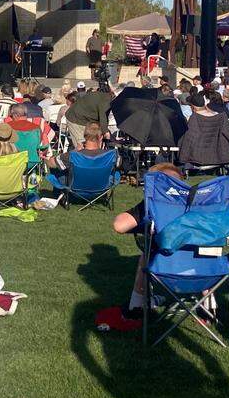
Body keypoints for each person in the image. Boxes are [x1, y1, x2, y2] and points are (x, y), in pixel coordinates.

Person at [112, 163, 186, 320]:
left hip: (164, 266)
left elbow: (119, 225)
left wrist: (144, 220)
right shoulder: (199, 204)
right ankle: (208, 306)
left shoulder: (153, 207)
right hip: (205, 271)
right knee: (209, 248)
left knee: (147, 249)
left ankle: (136, 305)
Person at [65, 83, 112, 149]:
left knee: (89, 144)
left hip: (84, 119)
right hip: (75, 118)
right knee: (81, 145)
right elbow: (103, 116)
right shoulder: (106, 100)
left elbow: (104, 117)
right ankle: (79, 157)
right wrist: (106, 132)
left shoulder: (103, 97)